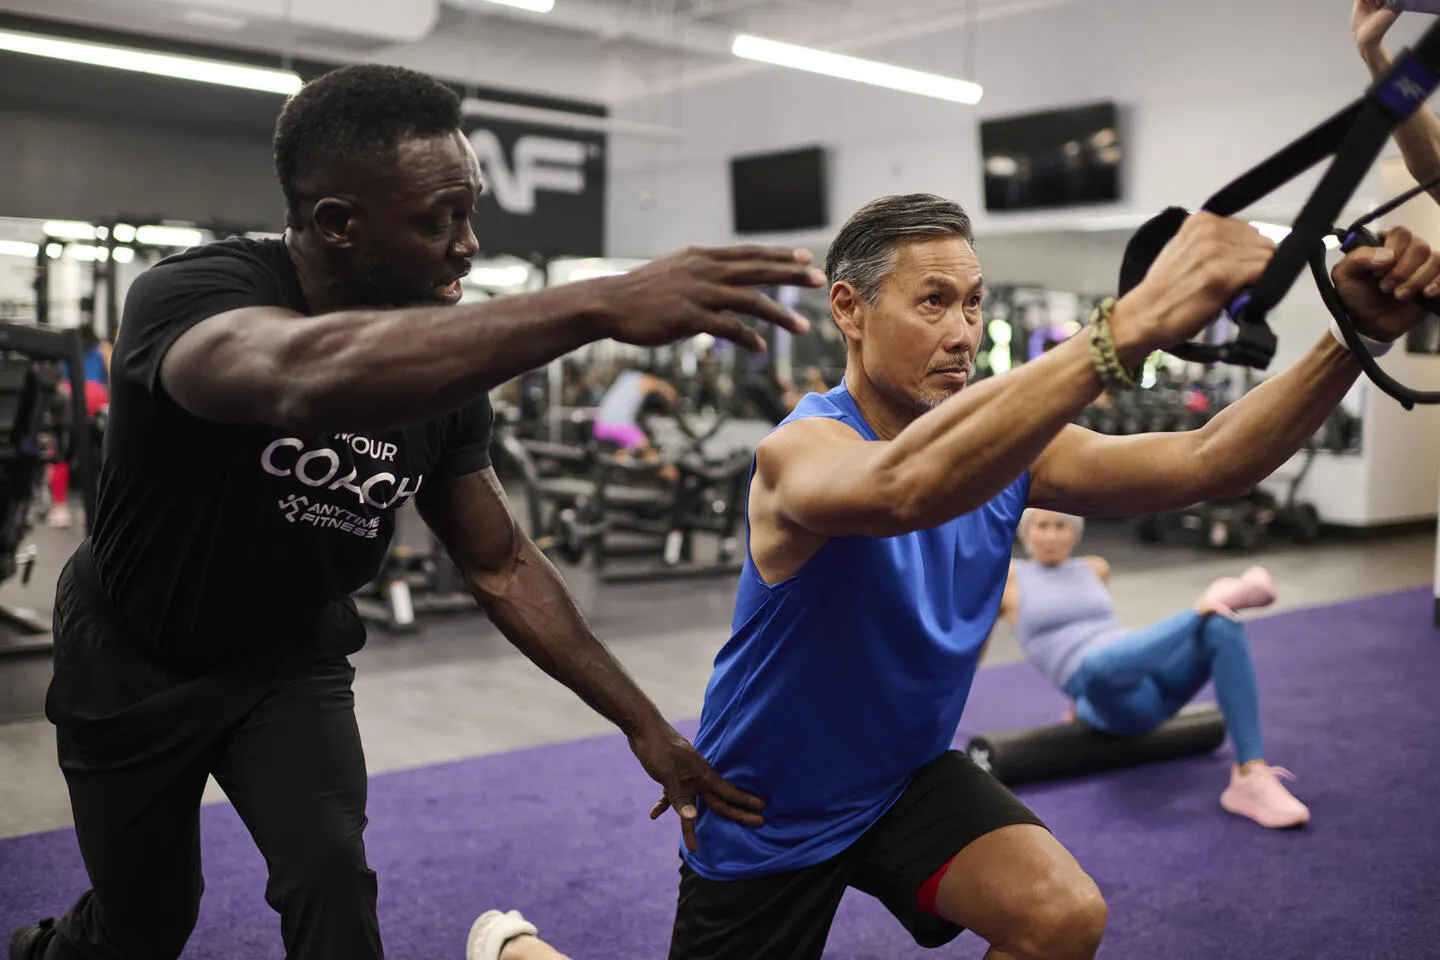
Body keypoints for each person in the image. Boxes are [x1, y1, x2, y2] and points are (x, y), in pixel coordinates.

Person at [469, 191, 1440, 960]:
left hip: (903, 778)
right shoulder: (799, 451)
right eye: (933, 301)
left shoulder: (1016, 451)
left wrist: (1351, 339)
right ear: (848, 309)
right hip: (767, 804)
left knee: (1062, 917)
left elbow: (1207, 460)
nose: (964, 330)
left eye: (973, 302)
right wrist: (1128, 328)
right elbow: (904, 488)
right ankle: (516, 947)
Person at [7, 63, 829, 960]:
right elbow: (292, 374)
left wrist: (645, 724)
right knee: (144, 925)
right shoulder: (193, 295)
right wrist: (601, 302)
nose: (468, 244)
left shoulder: (443, 376)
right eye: (440, 219)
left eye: (470, 213)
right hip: (132, 655)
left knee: (331, 877)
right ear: (338, 223)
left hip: (286, 659)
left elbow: (499, 561)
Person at [998, 508, 1307, 829]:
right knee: (1095, 665)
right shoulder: (1008, 579)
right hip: (1120, 701)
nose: (1050, 536)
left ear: (1075, 533)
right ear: (1025, 532)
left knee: (1222, 626)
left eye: (1060, 526)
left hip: (1147, 667)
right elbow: (972, 641)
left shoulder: (1094, 568)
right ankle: (1201, 608)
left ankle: (1250, 775)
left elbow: (1098, 626)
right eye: (1042, 526)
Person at [46, 327, 111, 529]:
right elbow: (113, 374)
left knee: (60, 452)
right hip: (95, 398)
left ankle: (60, 508)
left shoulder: (66, 350)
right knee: (97, 456)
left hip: (75, 397)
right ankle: (88, 508)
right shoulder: (102, 350)